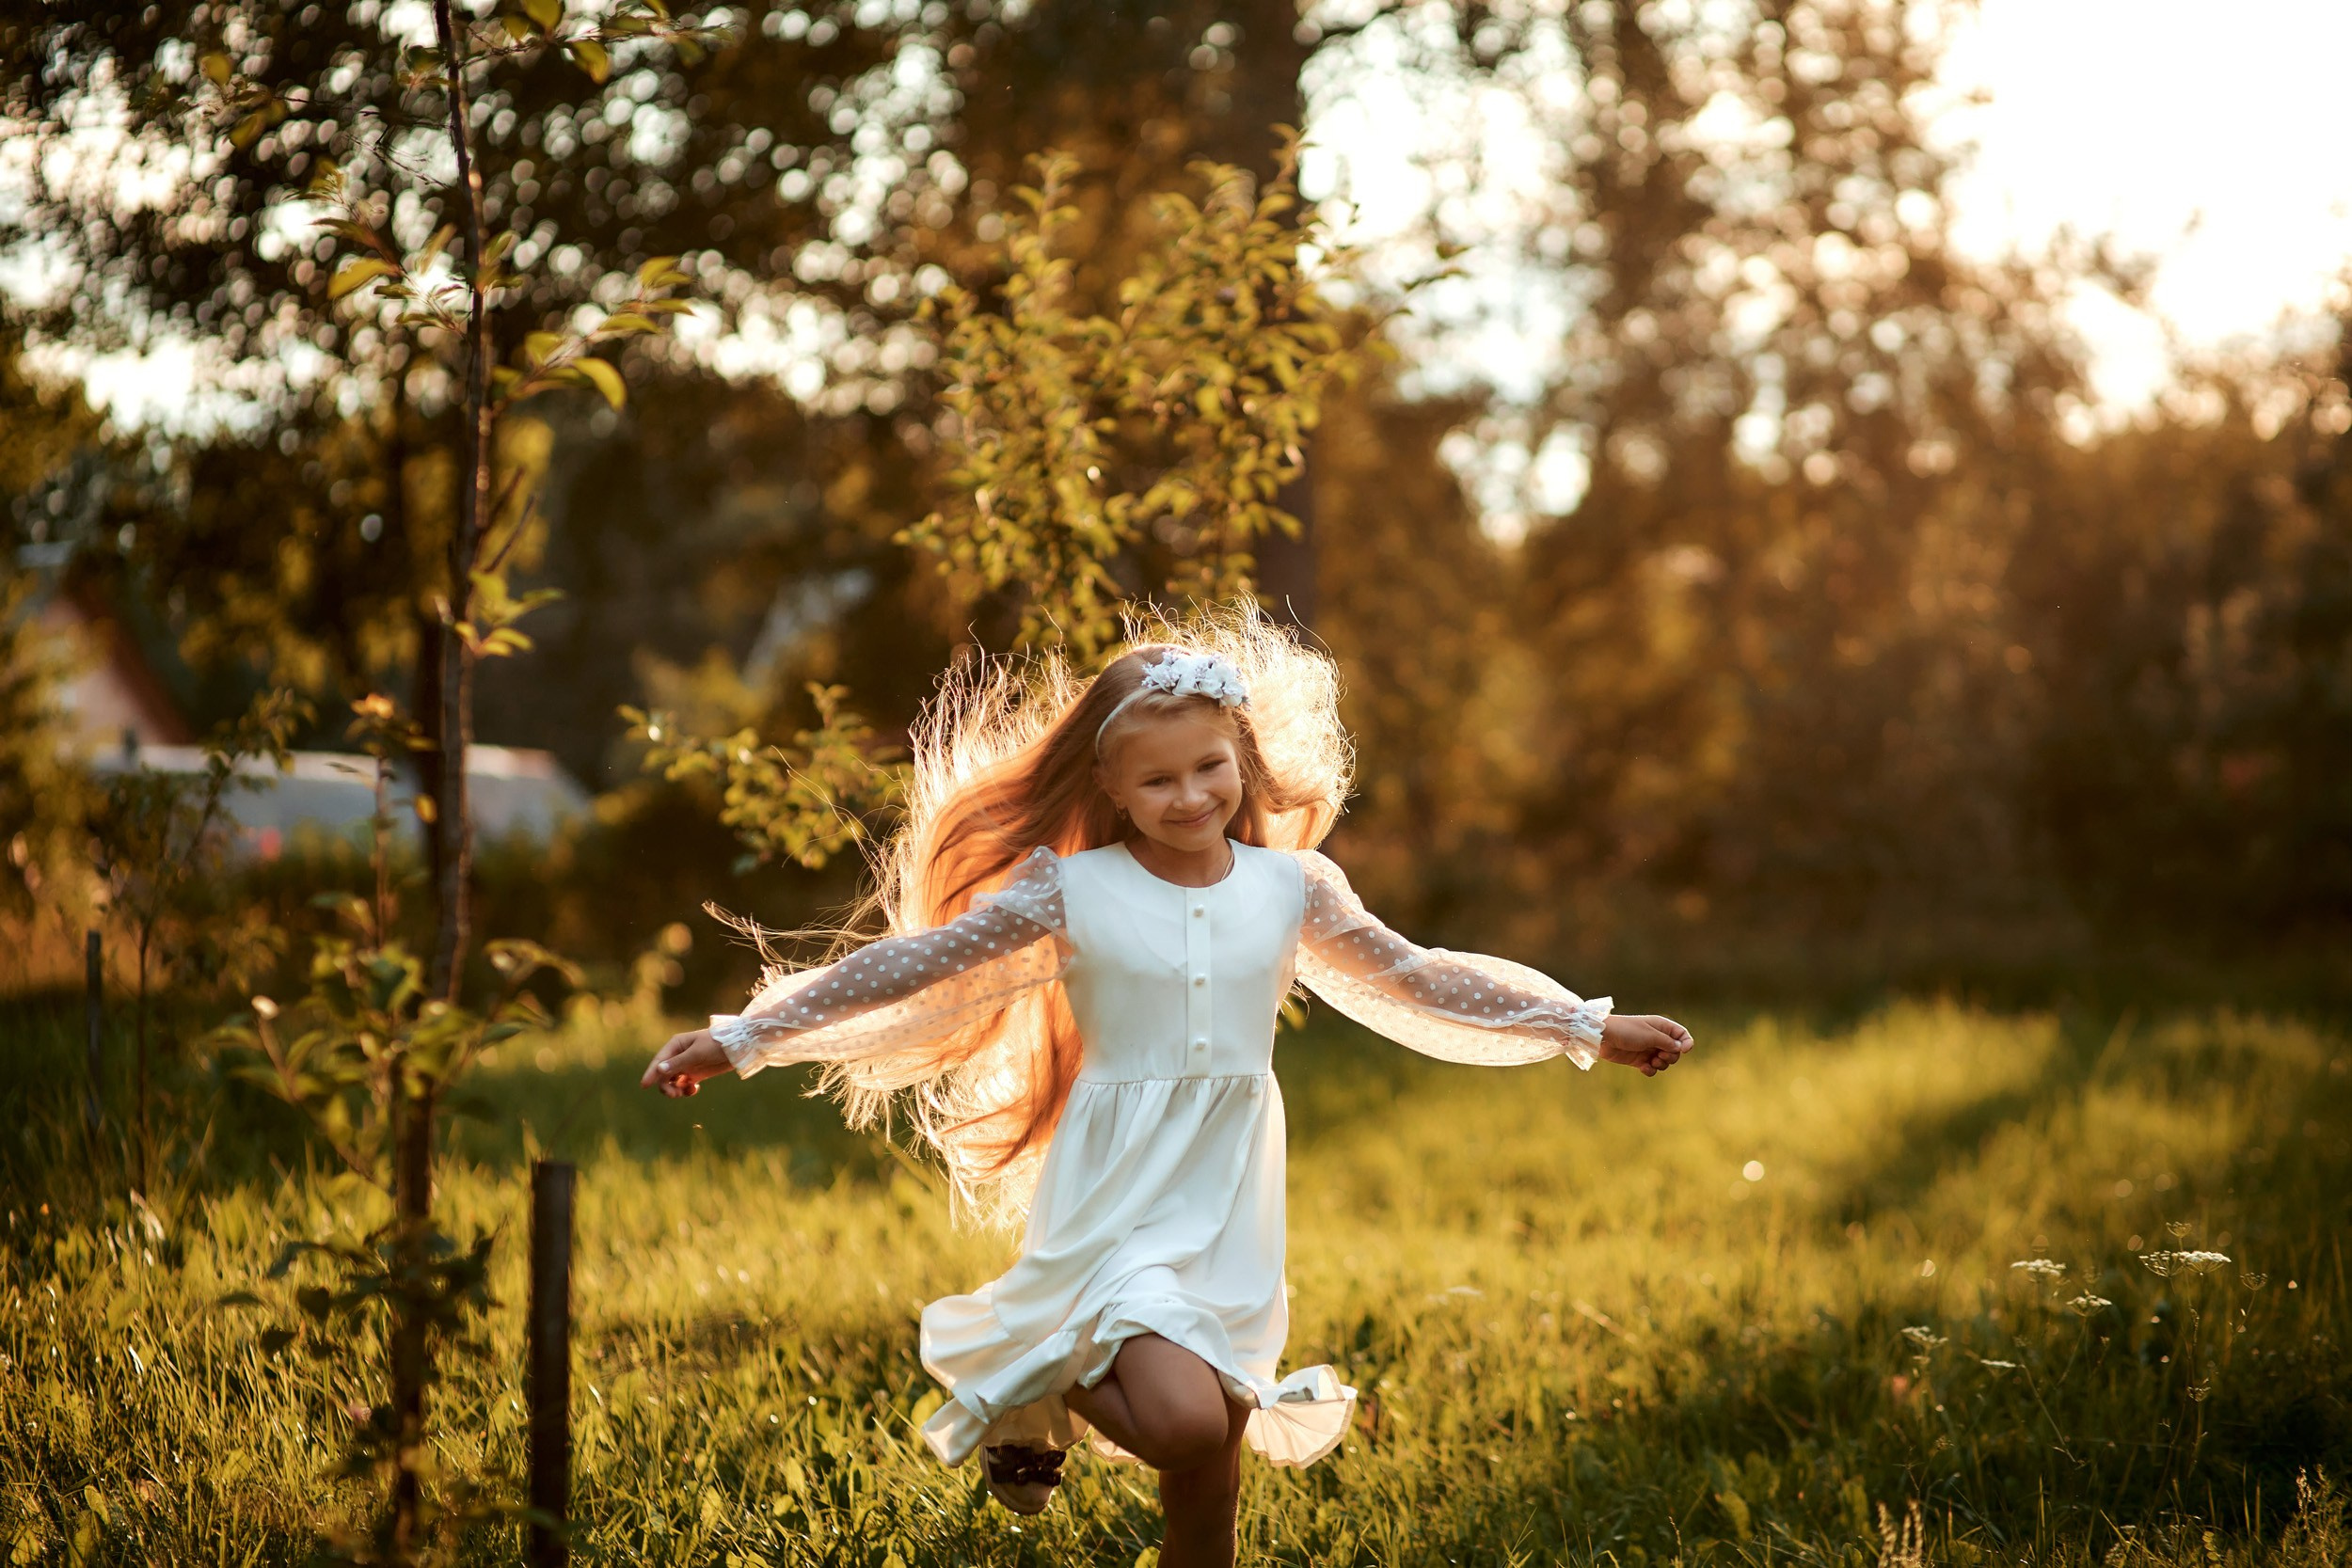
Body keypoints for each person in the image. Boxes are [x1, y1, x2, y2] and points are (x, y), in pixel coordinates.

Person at [642, 612, 1693, 1567]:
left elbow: (1419, 976)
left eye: (1208, 767)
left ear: (1243, 758)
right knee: (1188, 1422)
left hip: (1230, 1195)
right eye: (1157, 781)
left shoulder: (1292, 886)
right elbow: (913, 964)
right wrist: (747, 1035)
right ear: (1108, 785)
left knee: (1211, 1466)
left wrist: (1584, 1025)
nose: (1190, 796)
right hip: (1118, 1190)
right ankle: (1035, 1369)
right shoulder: (1069, 888)